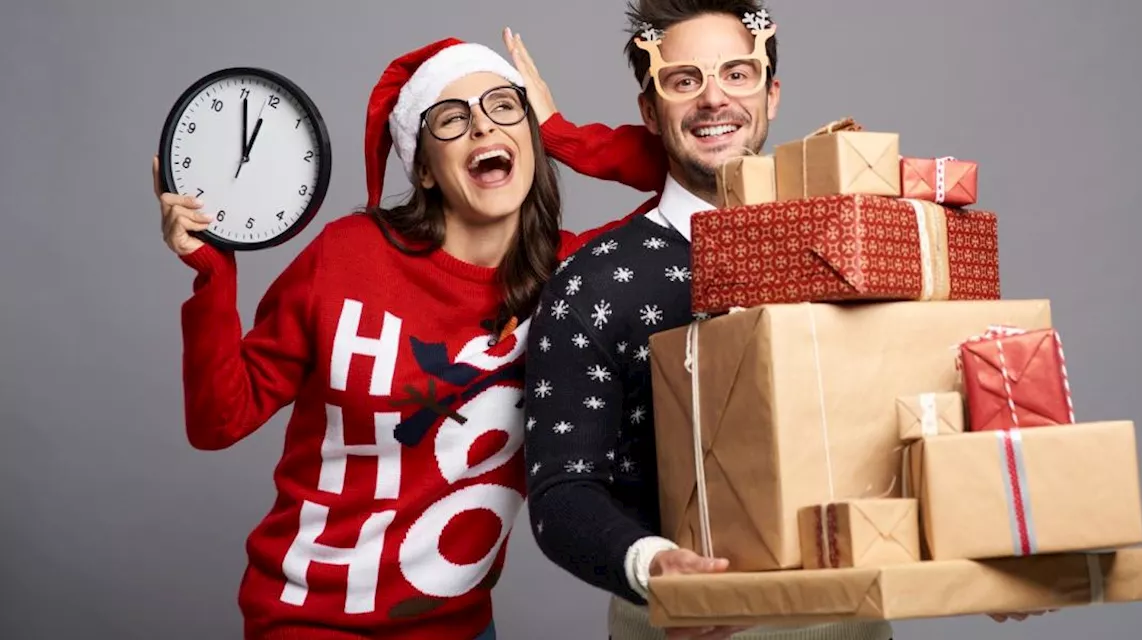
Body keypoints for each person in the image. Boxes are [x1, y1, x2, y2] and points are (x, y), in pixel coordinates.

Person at [520, 2, 1048, 639]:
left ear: (770, 95)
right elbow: (562, 493)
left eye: (737, 74)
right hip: (683, 626)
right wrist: (652, 565)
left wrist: (994, 536)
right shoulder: (594, 283)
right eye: (684, 81)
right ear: (650, 110)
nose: (714, 99)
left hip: (847, 623)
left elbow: (945, 409)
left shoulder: (863, 243)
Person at [150, 36, 655, 640]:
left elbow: (698, 180)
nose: (481, 127)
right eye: (451, 119)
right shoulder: (346, 256)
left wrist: (564, 132)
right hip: (309, 622)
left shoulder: (572, 279)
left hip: (462, 628)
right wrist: (213, 272)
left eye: (502, 107)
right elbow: (218, 420)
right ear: (421, 166)